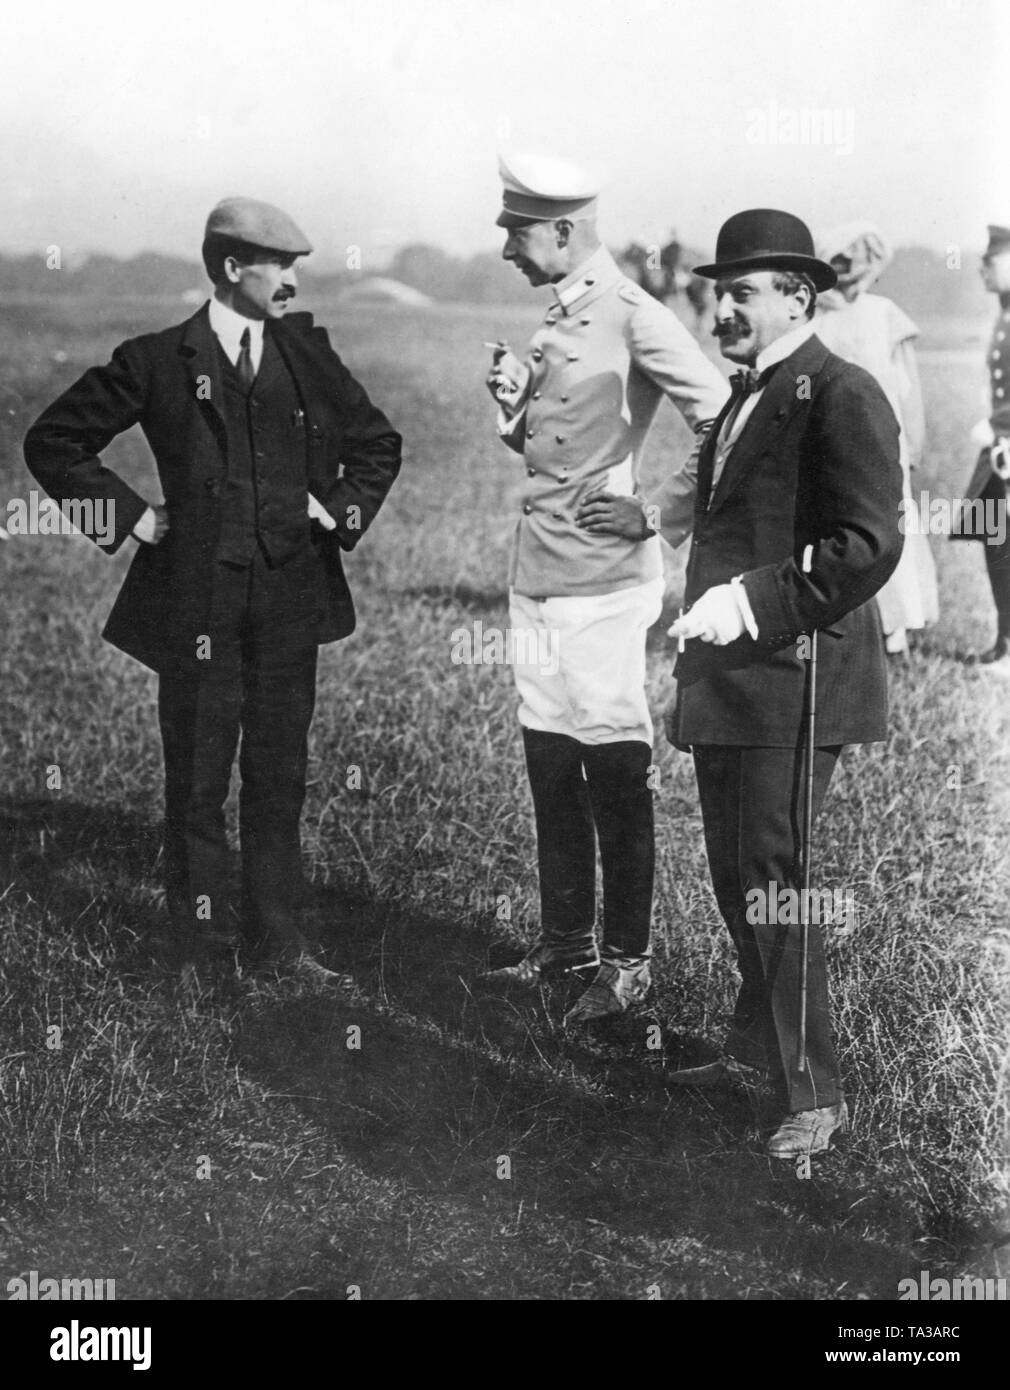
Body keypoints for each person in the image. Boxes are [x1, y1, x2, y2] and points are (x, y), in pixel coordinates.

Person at [24, 198, 402, 980]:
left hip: (291, 598)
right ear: (233, 268)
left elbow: (377, 443)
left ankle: (280, 941)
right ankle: (198, 951)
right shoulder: (159, 359)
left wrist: (337, 512)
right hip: (197, 602)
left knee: (279, 772)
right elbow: (52, 441)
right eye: (282, 265)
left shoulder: (308, 353)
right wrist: (134, 519)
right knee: (196, 778)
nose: (295, 280)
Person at [664, 209, 903, 1159]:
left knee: (774, 881)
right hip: (733, 676)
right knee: (736, 872)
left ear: (797, 297)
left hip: (798, 672)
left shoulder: (841, 393)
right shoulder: (745, 394)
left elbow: (867, 545)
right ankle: (753, 1047)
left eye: (742, 292)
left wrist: (752, 603)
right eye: (719, 291)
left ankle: (815, 1093)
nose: (722, 308)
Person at [483, 152, 728, 1024]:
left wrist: (659, 514)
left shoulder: (633, 312)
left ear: (563, 230)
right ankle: (566, 946)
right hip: (539, 573)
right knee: (550, 755)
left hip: (601, 581)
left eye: (516, 229)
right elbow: (555, 452)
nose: (505, 244)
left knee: (613, 763)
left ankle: (628, 964)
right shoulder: (560, 317)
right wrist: (514, 407)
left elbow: (724, 410)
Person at [815, 221, 938, 655]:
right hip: (827, 442)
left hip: (885, 441)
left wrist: (915, 443)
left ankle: (895, 629)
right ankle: (839, 623)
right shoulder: (813, 314)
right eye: (837, 260)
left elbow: (909, 387)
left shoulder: (884, 313)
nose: (846, 270)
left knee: (889, 525)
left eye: (855, 260)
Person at [953, 224, 1010, 673]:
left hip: (1005, 440)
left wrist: (999, 424)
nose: (982, 269)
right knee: (996, 538)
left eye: (990, 261)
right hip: (1000, 449)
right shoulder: (1004, 312)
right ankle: (1004, 642)